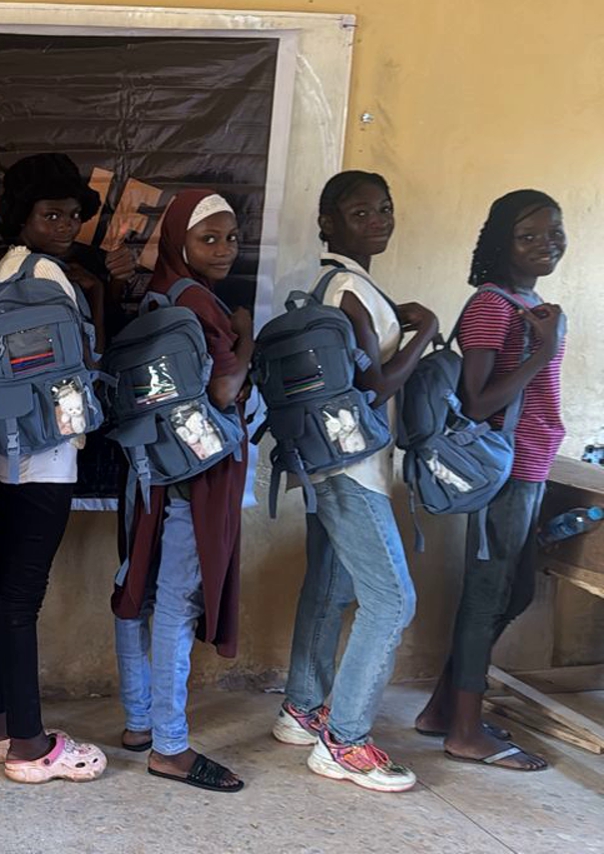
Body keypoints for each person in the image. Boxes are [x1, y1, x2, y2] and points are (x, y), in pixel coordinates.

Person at [272, 172, 437, 793]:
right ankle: (343, 742)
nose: (378, 220)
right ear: (328, 223)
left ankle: (301, 709)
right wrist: (426, 330)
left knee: (330, 585)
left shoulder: (335, 285)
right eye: (360, 211)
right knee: (392, 601)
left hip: (328, 461)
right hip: (352, 469)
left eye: (384, 208)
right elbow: (375, 386)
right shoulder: (348, 290)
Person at [414, 190, 566, 771]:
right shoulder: (492, 306)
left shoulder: (532, 303)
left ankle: (442, 710)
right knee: (488, 594)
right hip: (502, 469)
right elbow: (476, 403)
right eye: (528, 235)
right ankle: (465, 732)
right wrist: (543, 351)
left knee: (516, 592)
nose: (546, 243)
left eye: (554, 231)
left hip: (533, 463)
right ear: (502, 243)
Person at [0, 152, 108, 783]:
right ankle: (30, 746)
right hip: (48, 454)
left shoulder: (9, 268)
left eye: (73, 214)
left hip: (10, 448)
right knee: (21, 597)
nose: (66, 224)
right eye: (51, 213)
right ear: (22, 216)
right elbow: (81, 363)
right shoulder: (48, 274)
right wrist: (95, 298)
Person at [111, 190, 251, 792]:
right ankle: (169, 746)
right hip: (197, 476)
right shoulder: (197, 301)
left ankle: (139, 721)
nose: (224, 249)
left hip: (151, 469)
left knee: (134, 588)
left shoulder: (157, 293)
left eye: (231, 237)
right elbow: (224, 389)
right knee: (175, 602)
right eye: (208, 238)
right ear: (178, 240)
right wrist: (246, 336)